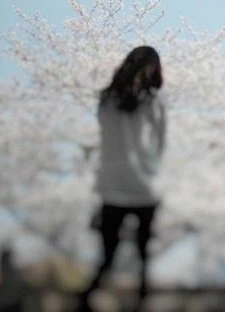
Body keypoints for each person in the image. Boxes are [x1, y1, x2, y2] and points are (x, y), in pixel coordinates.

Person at [79, 46, 166, 310]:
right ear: (151, 68)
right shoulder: (152, 100)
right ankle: (141, 301)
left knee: (108, 255)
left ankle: (85, 300)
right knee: (143, 252)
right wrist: (151, 166)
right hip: (141, 184)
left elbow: (105, 136)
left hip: (111, 182)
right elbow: (159, 142)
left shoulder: (105, 98)